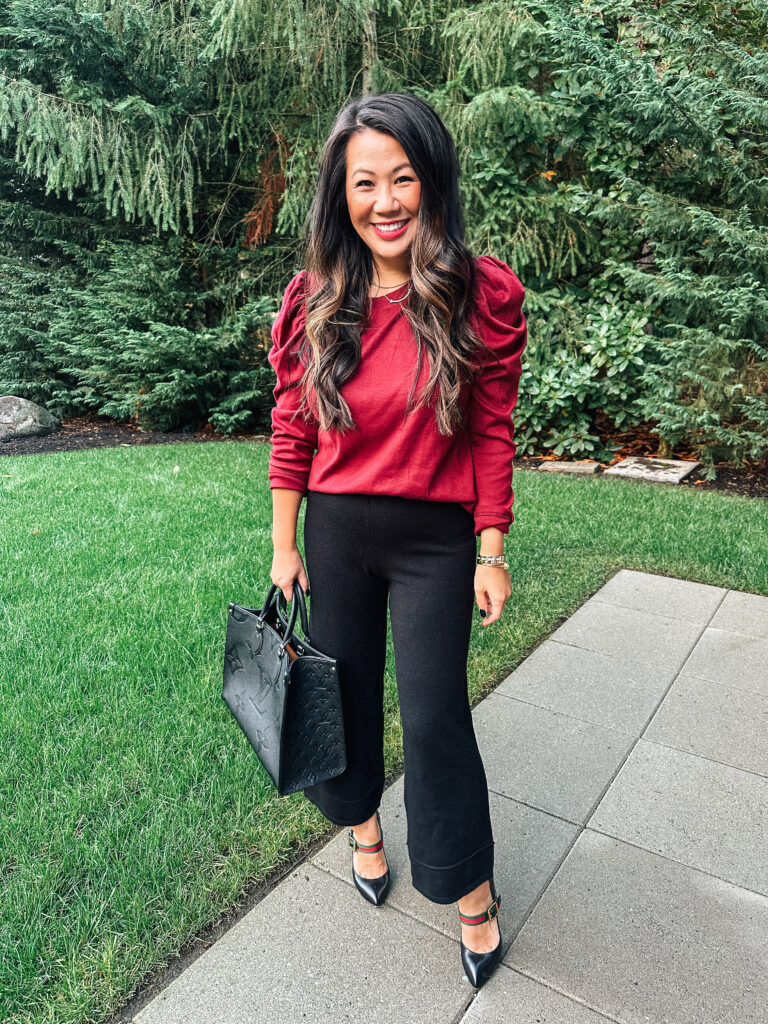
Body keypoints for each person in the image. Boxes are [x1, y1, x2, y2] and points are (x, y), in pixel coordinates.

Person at [267, 91, 527, 989]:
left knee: (434, 715)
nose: (385, 202)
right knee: (343, 698)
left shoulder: (476, 293)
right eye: (364, 182)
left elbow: (491, 430)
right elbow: (293, 427)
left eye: (403, 178)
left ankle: (470, 893)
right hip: (337, 533)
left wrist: (491, 548)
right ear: (341, 195)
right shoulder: (315, 299)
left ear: (432, 182)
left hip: (435, 543)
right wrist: (285, 546)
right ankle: (364, 830)